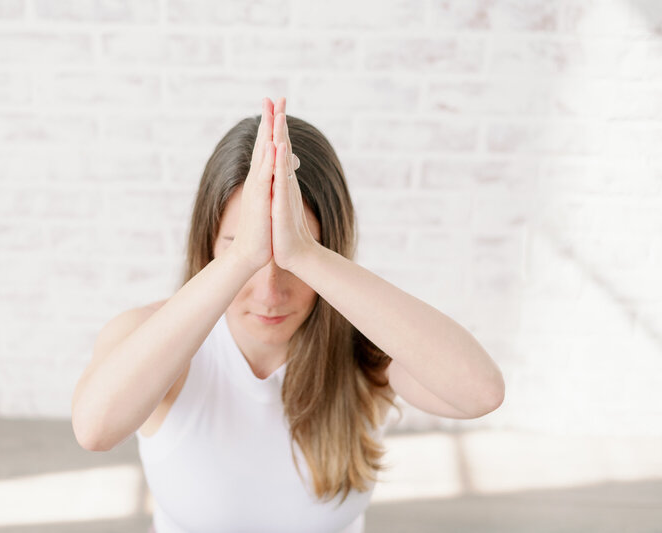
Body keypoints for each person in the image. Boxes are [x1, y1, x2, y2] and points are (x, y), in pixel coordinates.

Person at [71, 97, 505, 533]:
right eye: (242, 248)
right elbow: (95, 429)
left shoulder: (368, 348)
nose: (270, 292)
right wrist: (245, 254)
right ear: (209, 244)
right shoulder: (151, 337)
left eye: (290, 256)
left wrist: (306, 255)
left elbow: (480, 393)